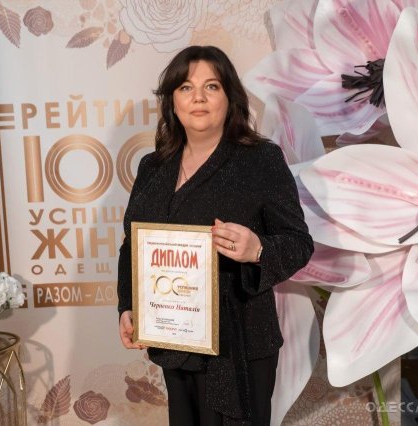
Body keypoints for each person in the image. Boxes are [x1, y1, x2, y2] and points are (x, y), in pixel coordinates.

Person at [117, 45, 314, 426]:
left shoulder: (260, 160)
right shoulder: (153, 167)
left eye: (211, 86)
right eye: (186, 88)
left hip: (241, 341)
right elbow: (132, 245)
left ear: (230, 96)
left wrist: (258, 249)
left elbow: (299, 243)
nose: (199, 98)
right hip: (175, 337)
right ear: (172, 101)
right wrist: (128, 305)